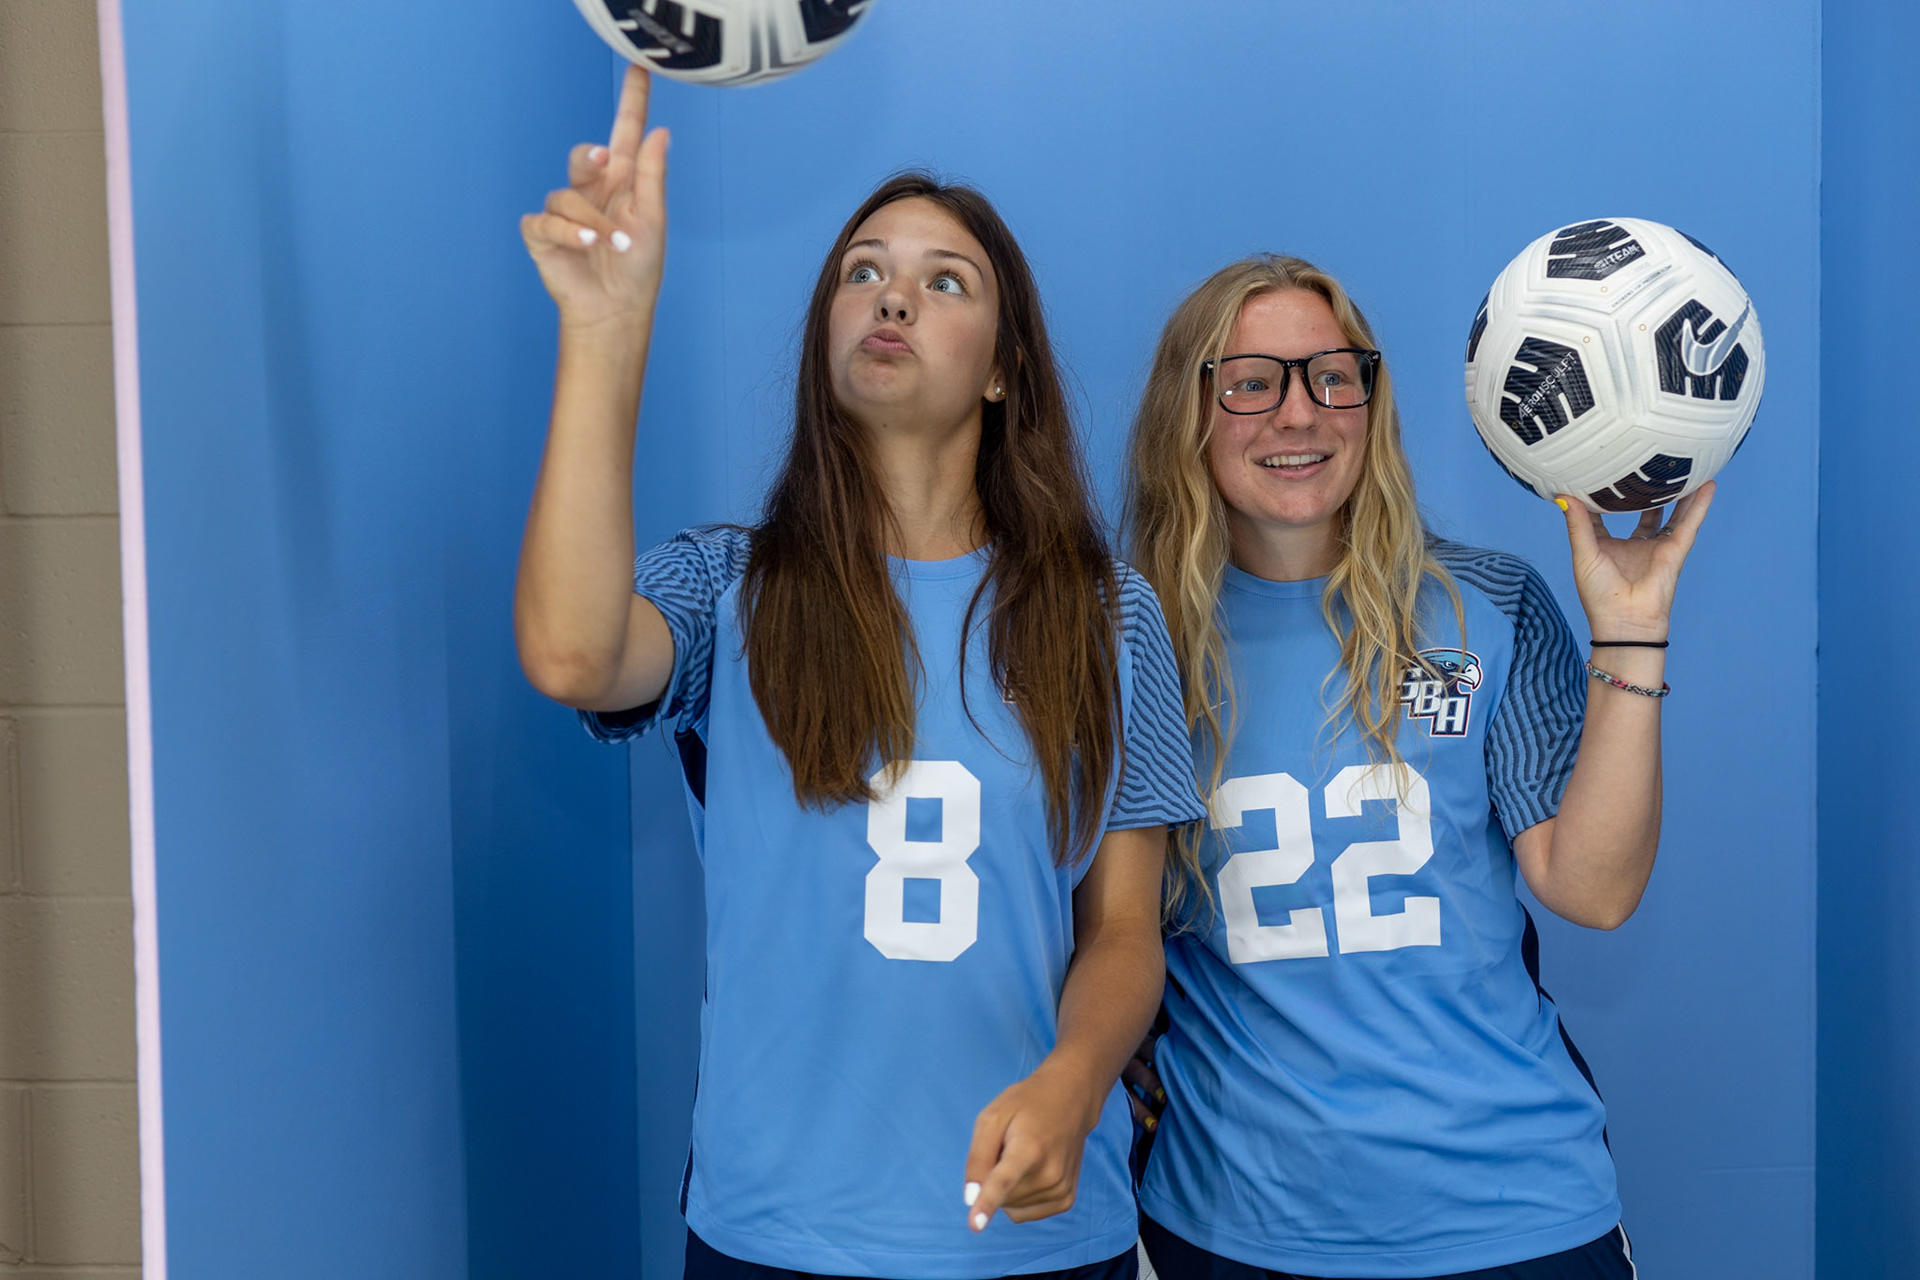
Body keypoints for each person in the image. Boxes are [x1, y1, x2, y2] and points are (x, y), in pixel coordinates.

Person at [514, 67, 1204, 1280]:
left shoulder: (1108, 612)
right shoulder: (730, 588)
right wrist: (605, 328)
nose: (893, 297)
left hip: (1036, 1238)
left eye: (947, 282)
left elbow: (1125, 934)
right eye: (863, 272)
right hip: (775, 1235)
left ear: (1003, 368)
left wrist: (1071, 1077)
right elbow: (573, 650)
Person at [1122, 255, 1709, 1279]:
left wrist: (1632, 628)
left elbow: (1594, 887)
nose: (1299, 414)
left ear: (1371, 401)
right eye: (1251, 380)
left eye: (1332, 375)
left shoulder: (1487, 602)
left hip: (1516, 1216)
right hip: (1236, 1225)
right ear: (1191, 409)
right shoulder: (1129, 641)